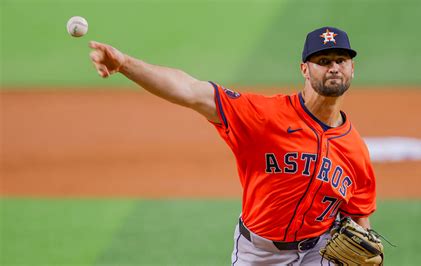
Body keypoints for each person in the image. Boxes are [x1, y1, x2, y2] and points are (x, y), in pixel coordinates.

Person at [89, 26, 378, 265]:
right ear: (305, 69)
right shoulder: (264, 115)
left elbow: (358, 212)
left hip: (320, 253)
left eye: (341, 60)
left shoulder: (355, 149)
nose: (334, 67)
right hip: (261, 254)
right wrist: (125, 64)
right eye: (323, 61)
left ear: (352, 68)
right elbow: (191, 91)